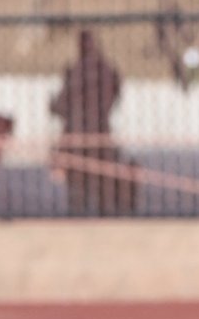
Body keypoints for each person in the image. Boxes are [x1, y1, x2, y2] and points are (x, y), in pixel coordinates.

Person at [50, 29, 137, 216]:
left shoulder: (79, 71)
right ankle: (102, 209)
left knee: (82, 176)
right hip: (95, 129)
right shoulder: (100, 69)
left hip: (82, 130)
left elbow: (62, 103)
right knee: (100, 174)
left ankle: (83, 209)